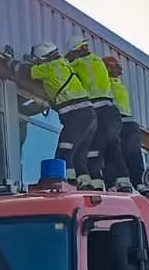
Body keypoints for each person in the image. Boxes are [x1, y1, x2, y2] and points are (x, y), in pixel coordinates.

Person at [23, 42, 97, 187]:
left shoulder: (49, 67)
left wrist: (10, 61)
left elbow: (26, 72)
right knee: (79, 157)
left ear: (42, 58)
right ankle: (84, 184)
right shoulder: (63, 64)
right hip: (90, 116)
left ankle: (67, 183)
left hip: (76, 116)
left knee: (63, 153)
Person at [64, 37, 128, 191]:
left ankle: (93, 182)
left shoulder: (78, 63)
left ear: (76, 50)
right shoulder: (97, 61)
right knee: (113, 149)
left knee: (91, 147)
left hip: (98, 110)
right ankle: (121, 183)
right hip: (113, 113)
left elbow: (62, 70)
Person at [103, 56, 145, 187]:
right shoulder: (119, 86)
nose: (120, 70)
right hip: (131, 126)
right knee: (134, 157)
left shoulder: (105, 84)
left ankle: (115, 183)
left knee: (113, 154)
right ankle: (139, 184)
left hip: (119, 125)